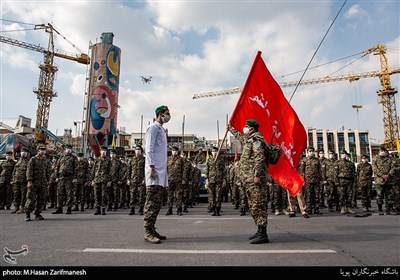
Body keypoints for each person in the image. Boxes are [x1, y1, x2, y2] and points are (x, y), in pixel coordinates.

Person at [228, 119, 275, 244]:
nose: (244, 128)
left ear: (252, 129)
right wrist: (231, 129)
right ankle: (260, 231)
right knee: (254, 206)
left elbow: (259, 159)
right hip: (249, 180)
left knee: (258, 205)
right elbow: (240, 137)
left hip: (256, 181)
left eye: (246, 126)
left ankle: (263, 234)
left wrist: (257, 175)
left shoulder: (256, 141)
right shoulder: (249, 140)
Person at [143, 105, 170, 244]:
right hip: (154, 171)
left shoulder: (161, 129)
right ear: (160, 114)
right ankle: (147, 232)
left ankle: (152, 229)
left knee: (157, 203)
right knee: (151, 202)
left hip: (160, 172)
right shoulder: (153, 128)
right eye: (166, 113)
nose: (168, 116)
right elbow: (149, 149)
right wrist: (152, 167)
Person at [25, 145, 51, 221]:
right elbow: (29, 171)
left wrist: (49, 180)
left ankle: (37, 213)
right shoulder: (33, 159)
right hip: (34, 182)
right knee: (31, 198)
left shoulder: (46, 160)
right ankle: (28, 214)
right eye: (41, 149)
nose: (43, 151)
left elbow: (48, 171)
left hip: (43, 183)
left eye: (44, 149)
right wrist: (29, 181)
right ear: (38, 151)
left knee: (41, 199)